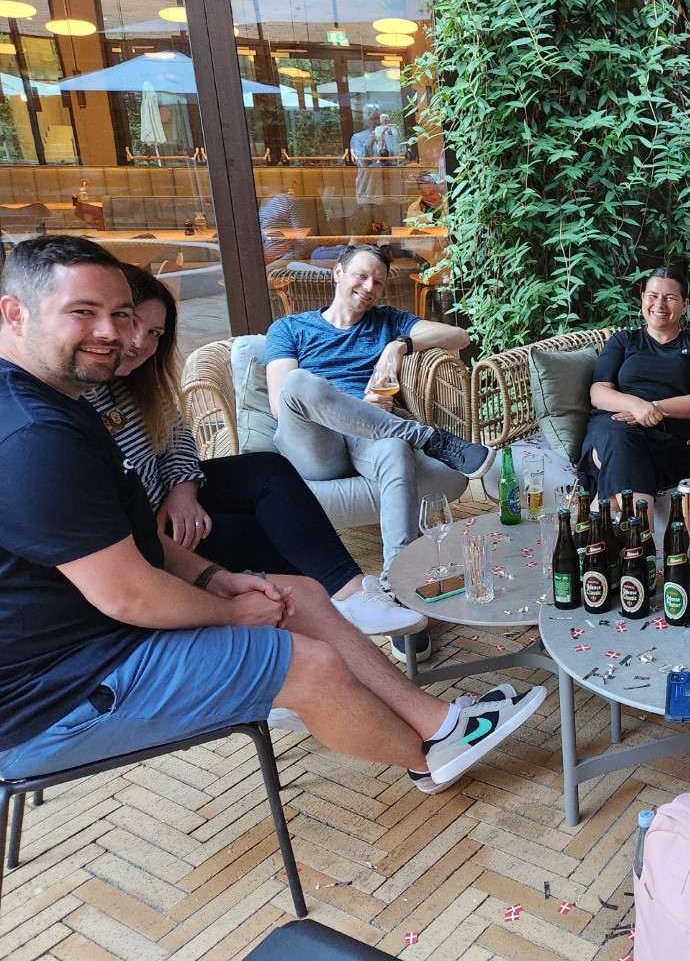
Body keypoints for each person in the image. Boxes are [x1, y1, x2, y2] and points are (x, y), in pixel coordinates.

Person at [0, 236, 546, 795]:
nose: (117, 336)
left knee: (303, 593)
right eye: (83, 313)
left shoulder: (62, 403)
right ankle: (431, 759)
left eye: (122, 316)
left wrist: (220, 578)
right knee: (312, 665)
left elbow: (136, 538)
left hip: (95, 634)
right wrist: (234, 614)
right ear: (15, 313)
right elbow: (129, 594)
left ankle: (440, 722)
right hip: (59, 690)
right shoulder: (35, 436)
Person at [84, 263, 424, 639]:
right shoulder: (77, 394)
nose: (141, 343)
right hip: (140, 530)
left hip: (170, 496)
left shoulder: (136, 382)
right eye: (132, 324)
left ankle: (353, 595)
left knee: (267, 470)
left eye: (154, 333)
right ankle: (318, 627)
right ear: (337, 273)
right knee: (276, 545)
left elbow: (177, 432)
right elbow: (283, 402)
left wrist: (183, 490)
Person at [264, 242, 490, 578]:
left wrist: (401, 345)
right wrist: (354, 406)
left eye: (379, 281)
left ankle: (398, 579)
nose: (370, 288)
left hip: (368, 435)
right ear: (338, 274)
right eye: (362, 276)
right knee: (299, 382)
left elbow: (460, 336)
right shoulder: (290, 328)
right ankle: (426, 437)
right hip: (314, 443)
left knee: (395, 449)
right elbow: (281, 405)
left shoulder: (387, 321)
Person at [580, 268, 690, 509]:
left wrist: (655, 409)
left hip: (670, 439)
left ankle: (593, 528)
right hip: (614, 423)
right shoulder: (624, 341)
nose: (660, 304)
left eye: (670, 298)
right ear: (643, 298)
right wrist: (637, 407)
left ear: (685, 304)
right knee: (620, 436)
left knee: (618, 454)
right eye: (653, 296)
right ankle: (643, 540)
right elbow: (598, 392)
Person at [349, 104, 397, 231]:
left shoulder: (389, 135)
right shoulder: (358, 137)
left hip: (388, 190)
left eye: (378, 118)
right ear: (366, 120)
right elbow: (361, 163)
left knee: (389, 229)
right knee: (369, 229)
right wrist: (371, 139)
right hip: (368, 190)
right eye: (373, 118)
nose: (376, 122)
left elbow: (394, 159)